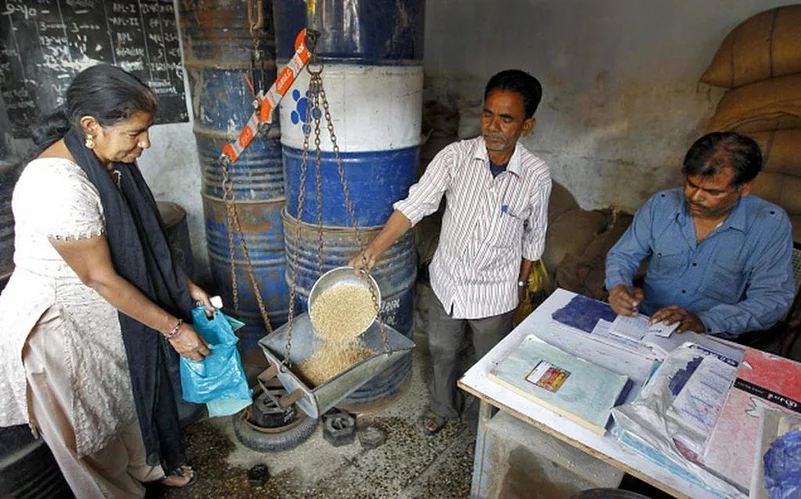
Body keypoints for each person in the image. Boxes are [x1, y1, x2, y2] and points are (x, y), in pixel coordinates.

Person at [0, 64, 214, 498]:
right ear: (91, 126)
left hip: (108, 319)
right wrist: (174, 329)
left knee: (125, 399)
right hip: (61, 331)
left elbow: (142, 242)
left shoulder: (110, 162)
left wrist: (183, 283)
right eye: (136, 132)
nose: (145, 143)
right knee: (89, 431)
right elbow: (100, 278)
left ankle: (146, 466)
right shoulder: (57, 187)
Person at [349, 69, 552, 435]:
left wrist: (520, 287)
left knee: (489, 363)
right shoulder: (454, 157)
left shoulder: (536, 176)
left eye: (506, 119)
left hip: (496, 292)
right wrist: (373, 251)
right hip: (448, 283)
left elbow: (534, 238)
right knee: (442, 352)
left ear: (527, 125)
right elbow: (415, 206)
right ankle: (443, 407)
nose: (492, 126)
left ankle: (481, 421)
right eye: (488, 114)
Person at [605, 131, 795, 341]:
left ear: (744, 188)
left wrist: (705, 321)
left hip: (710, 336)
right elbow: (623, 255)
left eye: (713, 192)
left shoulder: (769, 224)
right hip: (644, 321)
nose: (695, 197)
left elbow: (772, 299)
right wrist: (618, 287)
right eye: (692, 185)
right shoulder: (661, 204)